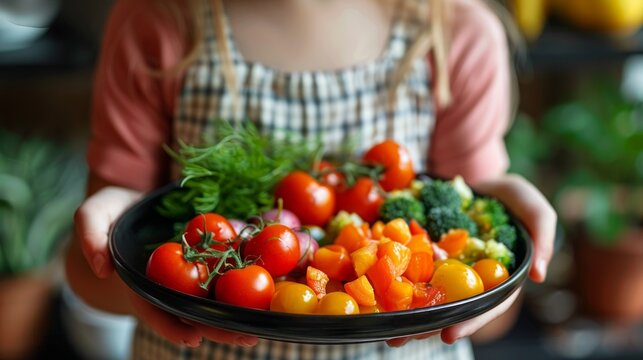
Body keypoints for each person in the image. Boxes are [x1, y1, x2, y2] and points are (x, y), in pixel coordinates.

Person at [65, 0, 557, 359]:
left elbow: (487, 302)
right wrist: (118, 261)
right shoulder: (156, 21)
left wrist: (512, 244)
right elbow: (89, 276)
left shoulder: (456, 31)